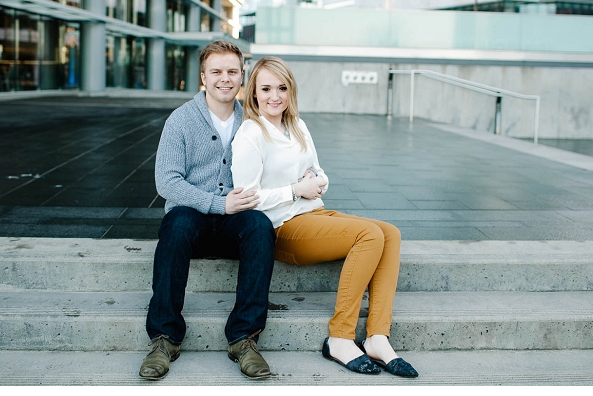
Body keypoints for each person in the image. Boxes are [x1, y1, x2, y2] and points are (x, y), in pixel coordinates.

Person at [230, 57, 418, 378]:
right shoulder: (251, 134)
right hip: (282, 228)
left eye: (282, 88)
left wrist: (316, 183)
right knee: (369, 235)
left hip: (315, 214)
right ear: (254, 94)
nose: (274, 96)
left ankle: (377, 337)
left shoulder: (297, 125)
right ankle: (341, 338)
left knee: (390, 233)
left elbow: (319, 172)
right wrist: (295, 189)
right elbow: (247, 198)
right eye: (266, 89)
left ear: (291, 90)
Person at [140, 41, 276, 381]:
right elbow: (167, 183)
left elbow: (278, 165)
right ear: (203, 76)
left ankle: (244, 339)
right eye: (216, 71)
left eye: (232, 71)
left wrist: (306, 175)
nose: (225, 79)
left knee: (260, 226)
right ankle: (164, 338)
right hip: (193, 218)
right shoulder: (181, 120)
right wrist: (218, 203)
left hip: (237, 221)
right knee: (177, 222)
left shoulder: (255, 119)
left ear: (242, 75)